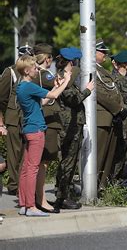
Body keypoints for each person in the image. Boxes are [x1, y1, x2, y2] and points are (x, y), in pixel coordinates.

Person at [16, 54, 71, 216]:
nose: (36, 69)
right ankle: (31, 206)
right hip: (36, 130)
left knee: (26, 169)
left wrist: (55, 87)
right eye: (33, 68)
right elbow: (53, 97)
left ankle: (24, 204)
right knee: (33, 169)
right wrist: (66, 81)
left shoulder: (22, 86)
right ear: (26, 70)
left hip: (29, 129)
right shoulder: (29, 86)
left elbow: (44, 101)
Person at [54, 47, 93, 210]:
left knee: (68, 161)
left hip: (72, 125)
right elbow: (72, 99)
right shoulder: (63, 78)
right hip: (68, 127)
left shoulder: (66, 77)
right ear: (72, 62)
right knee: (68, 162)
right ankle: (62, 197)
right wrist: (87, 91)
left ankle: (64, 192)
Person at [31, 43, 62, 213]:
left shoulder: (40, 74)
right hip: (47, 121)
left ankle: (37, 198)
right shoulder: (44, 75)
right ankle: (40, 200)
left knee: (41, 163)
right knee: (42, 163)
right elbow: (59, 86)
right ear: (47, 58)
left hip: (46, 120)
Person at [0, 44, 33, 196]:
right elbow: (2, 98)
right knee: (14, 153)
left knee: (26, 152)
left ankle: (23, 182)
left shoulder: (33, 72)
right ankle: (14, 185)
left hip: (27, 117)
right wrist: (4, 119)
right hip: (13, 117)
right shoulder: (11, 72)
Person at [95, 41, 127, 191]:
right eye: (102, 52)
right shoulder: (89, 70)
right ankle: (93, 186)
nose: (105, 55)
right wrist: (117, 108)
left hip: (111, 118)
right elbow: (99, 93)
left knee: (108, 156)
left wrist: (121, 108)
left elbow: (114, 91)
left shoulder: (103, 71)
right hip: (101, 118)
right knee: (99, 155)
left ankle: (102, 185)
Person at [110, 51, 127, 191]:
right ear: (122, 64)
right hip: (121, 123)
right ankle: (115, 182)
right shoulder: (114, 79)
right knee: (119, 154)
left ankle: (124, 182)